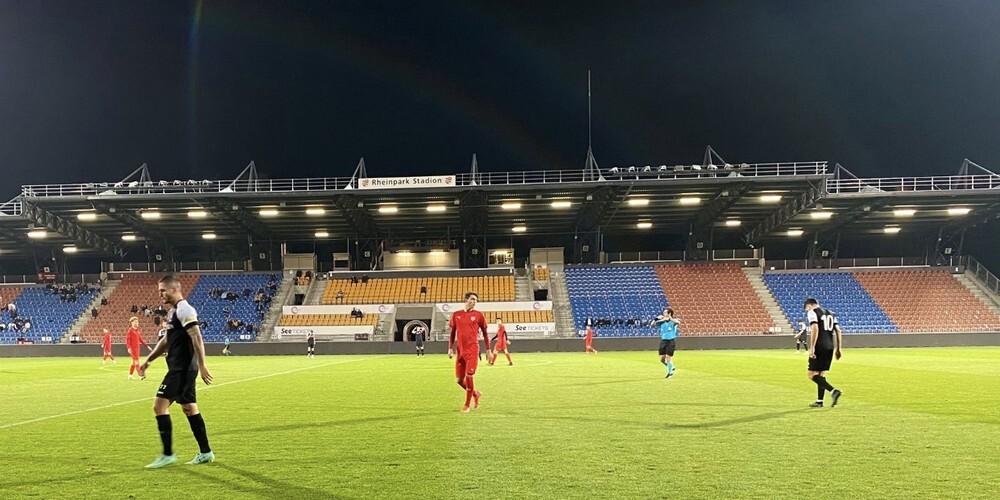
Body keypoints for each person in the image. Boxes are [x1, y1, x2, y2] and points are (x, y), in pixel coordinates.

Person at [137, 275, 215, 468]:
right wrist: (148, 361)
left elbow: (197, 338)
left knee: (159, 406)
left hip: (182, 369)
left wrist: (203, 365)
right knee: (189, 408)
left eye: (162, 290)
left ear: (174, 290)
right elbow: (165, 341)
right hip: (179, 368)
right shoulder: (172, 312)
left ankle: (167, 454)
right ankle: (206, 452)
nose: (160, 294)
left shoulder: (185, 309)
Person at [448, 292, 493, 413]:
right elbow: (453, 332)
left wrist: (488, 350)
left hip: (472, 350)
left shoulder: (478, 315)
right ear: (466, 300)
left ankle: (467, 405)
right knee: (459, 380)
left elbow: (485, 333)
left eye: (476, 300)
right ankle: (475, 394)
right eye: (472, 299)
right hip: (460, 351)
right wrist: (450, 347)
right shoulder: (456, 315)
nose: (474, 302)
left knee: (469, 376)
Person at [804, 298, 843, 408]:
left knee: (811, 374)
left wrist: (812, 348)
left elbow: (815, 328)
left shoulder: (813, 312)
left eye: (806, 309)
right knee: (820, 374)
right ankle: (819, 401)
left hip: (819, 346)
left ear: (810, 306)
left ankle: (833, 391)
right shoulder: (831, 313)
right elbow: (838, 331)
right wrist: (839, 348)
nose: (807, 311)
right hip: (830, 346)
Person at [652, 308, 681, 378]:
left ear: (669, 314)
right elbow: (652, 324)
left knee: (668, 357)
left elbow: (678, 322)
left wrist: (670, 318)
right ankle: (671, 366)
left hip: (671, 341)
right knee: (662, 359)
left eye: (665, 312)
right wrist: (656, 318)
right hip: (663, 341)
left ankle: (670, 373)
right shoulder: (661, 322)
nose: (663, 313)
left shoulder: (673, 322)